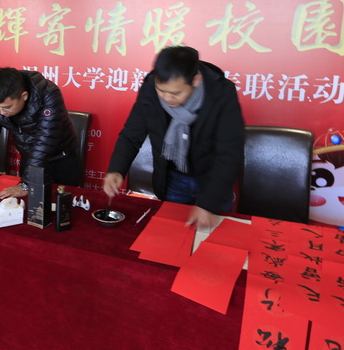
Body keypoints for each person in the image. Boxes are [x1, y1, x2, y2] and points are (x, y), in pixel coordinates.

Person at [103, 46, 244, 229]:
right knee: (171, 235)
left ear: (196, 80)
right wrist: (116, 170)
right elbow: (131, 134)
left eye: (176, 93)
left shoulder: (222, 93)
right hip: (172, 179)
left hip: (213, 181)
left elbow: (230, 152)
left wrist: (208, 204)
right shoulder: (150, 87)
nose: (167, 98)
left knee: (213, 239)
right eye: (161, 90)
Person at [0, 67, 79, 199]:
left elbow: (45, 141)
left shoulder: (48, 94)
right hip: (29, 158)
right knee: (27, 203)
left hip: (59, 159)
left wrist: (26, 184)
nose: (1, 112)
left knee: (60, 203)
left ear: (24, 96)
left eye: (7, 108)